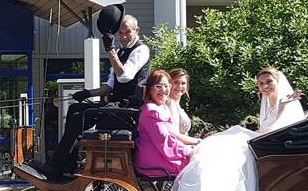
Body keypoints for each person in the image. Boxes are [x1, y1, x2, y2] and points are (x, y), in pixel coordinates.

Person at [172, 68, 305, 191]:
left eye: (268, 82)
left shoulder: (285, 102)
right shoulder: (268, 101)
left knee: (225, 148)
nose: (265, 86)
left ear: (278, 82)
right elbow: (265, 129)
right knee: (218, 144)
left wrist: (282, 106)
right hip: (264, 143)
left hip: (272, 148)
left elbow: (278, 132)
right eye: (261, 83)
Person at [34, 14, 150, 178]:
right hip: (115, 107)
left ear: (136, 30)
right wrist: (87, 93)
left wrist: (110, 50)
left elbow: (124, 76)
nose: (123, 37)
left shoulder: (141, 50)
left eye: (127, 32)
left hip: (127, 110)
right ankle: (63, 167)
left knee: (82, 116)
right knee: (76, 109)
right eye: (120, 33)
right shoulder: (119, 52)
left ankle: (58, 167)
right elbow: (110, 86)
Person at [134, 71, 199, 177]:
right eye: (158, 86)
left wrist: (197, 143)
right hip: (154, 161)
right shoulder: (151, 111)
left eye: (166, 86)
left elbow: (174, 135)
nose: (163, 90)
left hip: (163, 156)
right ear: (150, 88)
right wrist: (188, 151)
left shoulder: (162, 107)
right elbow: (164, 142)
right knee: (198, 167)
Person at [166, 68, 199, 145]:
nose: (179, 86)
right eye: (176, 82)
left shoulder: (176, 104)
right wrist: (199, 141)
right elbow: (175, 136)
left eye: (183, 83)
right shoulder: (170, 103)